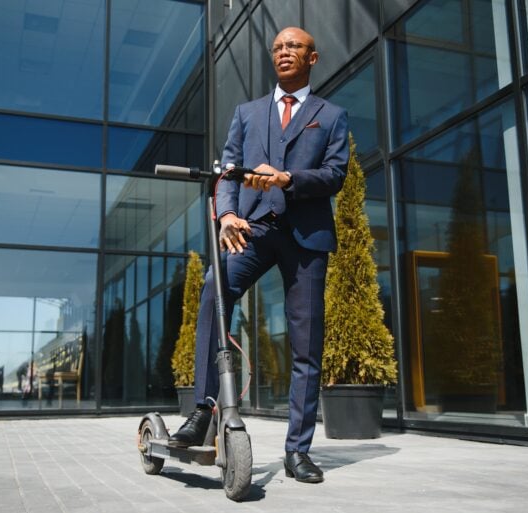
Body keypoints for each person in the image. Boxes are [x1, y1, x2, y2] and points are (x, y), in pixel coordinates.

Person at [168, 27, 349, 484]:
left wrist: (288, 178)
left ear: (313, 57)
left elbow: (334, 175)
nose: (284, 52)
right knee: (214, 292)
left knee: (306, 345)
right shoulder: (247, 113)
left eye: (295, 47)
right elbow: (228, 172)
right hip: (251, 228)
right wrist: (226, 214)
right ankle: (205, 410)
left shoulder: (331, 116)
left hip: (305, 238)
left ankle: (298, 451)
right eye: (278, 47)